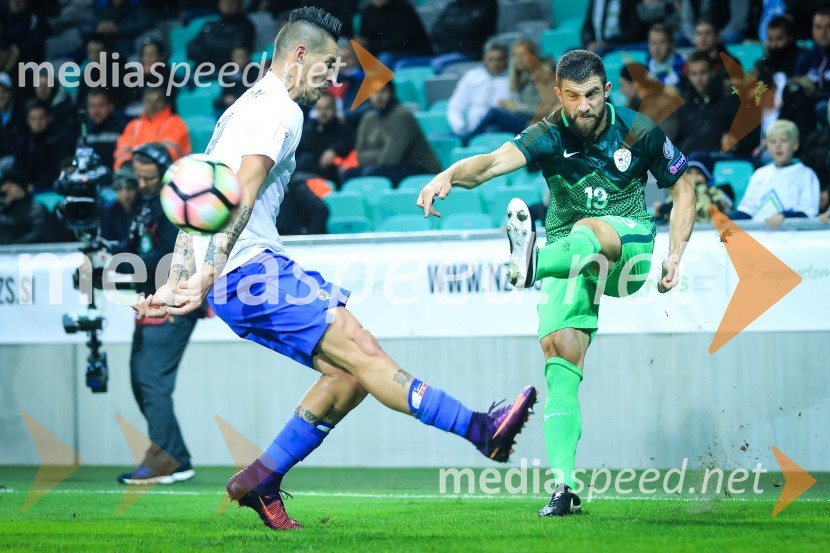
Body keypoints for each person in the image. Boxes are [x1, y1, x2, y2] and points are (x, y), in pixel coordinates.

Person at [132, 7, 536, 530]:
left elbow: (196, 207)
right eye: (327, 67)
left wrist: (178, 279)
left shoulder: (239, 110)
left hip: (242, 275)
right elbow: (243, 195)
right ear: (299, 55)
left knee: (349, 376)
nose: (333, 80)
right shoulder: (280, 111)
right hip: (252, 271)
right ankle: (480, 429)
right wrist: (203, 278)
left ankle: (261, 477)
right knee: (364, 352)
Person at [417, 49, 696, 517]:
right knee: (560, 359)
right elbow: (489, 163)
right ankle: (564, 487)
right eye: (573, 97)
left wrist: (675, 254)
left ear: (606, 91)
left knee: (590, 229)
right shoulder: (548, 132)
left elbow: (683, 186)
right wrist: (448, 174)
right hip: (571, 260)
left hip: (627, 253)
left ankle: (533, 263)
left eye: (592, 95)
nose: (583, 106)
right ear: (559, 95)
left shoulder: (639, 130)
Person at [113, 143, 200, 485]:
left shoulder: (173, 205)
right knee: (143, 379)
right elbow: (133, 247)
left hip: (174, 303)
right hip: (153, 302)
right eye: (139, 177)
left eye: (149, 177)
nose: (143, 183)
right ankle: (173, 458)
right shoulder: (148, 206)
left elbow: (169, 256)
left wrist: (119, 267)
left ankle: (166, 461)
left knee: (150, 379)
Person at [345, 81, 441, 186]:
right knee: (348, 174)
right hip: (388, 166)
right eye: (373, 92)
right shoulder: (368, 118)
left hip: (420, 167)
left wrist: (374, 155)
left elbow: (391, 159)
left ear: (391, 93)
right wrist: (382, 152)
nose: (378, 96)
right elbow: (360, 156)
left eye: (383, 91)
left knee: (371, 173)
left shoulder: (401, 116)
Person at [729, 119, 820, 228]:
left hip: (792, 239)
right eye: (773, 142)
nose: (778, 146)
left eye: (784, 140)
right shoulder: (759, 174)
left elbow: (808, 212)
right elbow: (747, 209)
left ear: (795, 144)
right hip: (759, 237)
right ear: (767, 146)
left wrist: (783, 217)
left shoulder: (806, 175)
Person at [447, 41, 512, 143]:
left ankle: (467, 139)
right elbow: (455, 106)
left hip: (498, 130)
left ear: (506, 60)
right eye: (491, 60)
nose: (495, 64)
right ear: (484, 59)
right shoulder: (472, 76)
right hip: (470, 129)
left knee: (491, 130)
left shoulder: (512, 79)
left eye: (499, 59)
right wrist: (460, 127)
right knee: (438, 138)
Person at [114, 87, 191, 169]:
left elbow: (170, 152)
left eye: (157, 101)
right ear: (143, 103)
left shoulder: (176, 122)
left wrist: (143, 165)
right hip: (134, 170)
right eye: (148, 101)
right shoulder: (133, 125)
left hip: (166, 171)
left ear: (166, 102)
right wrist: (126, 163)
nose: (152, 105)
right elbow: (122, 149)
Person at [0, 173, 51, 244]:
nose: (3, 189)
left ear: (18, 186)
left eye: (9, 185)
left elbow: (38, 234)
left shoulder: (36, 208)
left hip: (29, 252)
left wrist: (14, 247)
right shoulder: (3, 209)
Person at [84, 89, 126, 170]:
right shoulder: (84, 131)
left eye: (101, 105)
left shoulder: (120, 130)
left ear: (110, 107)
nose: (96, 111)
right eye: (92, 106)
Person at [100, 163, 140, 242]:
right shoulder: (108, 212)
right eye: (120, 188)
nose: (126, 194)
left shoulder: (145, 209)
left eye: (130, 188)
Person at [645, 23, 685, 88]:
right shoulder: (646, 67)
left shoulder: (681, 67)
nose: (657, 48)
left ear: (671, 44)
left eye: (661, 42)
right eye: (653, 43)